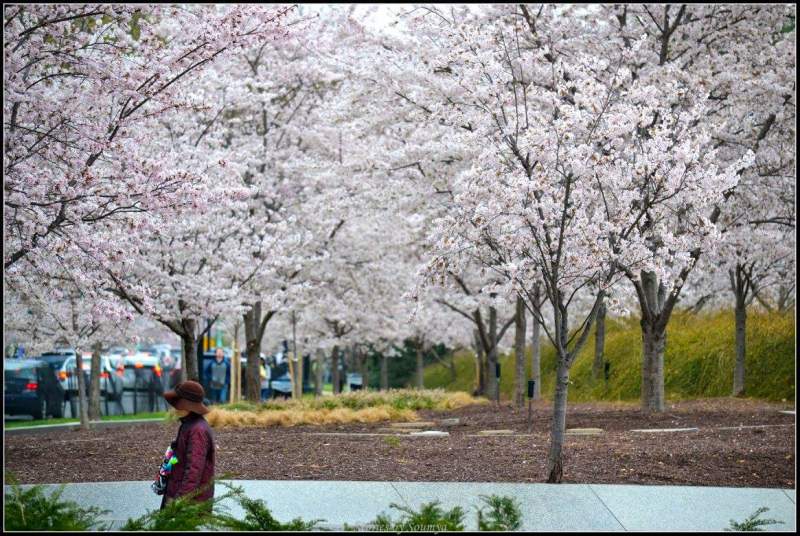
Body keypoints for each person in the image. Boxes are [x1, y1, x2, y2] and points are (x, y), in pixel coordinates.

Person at [160, 380, 215, 511]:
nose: (174, 408)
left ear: (187, 406)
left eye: (177, 403)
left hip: (188, 504)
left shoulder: (197, 431)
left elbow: (194, 471)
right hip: (179, 494)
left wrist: (180, 501)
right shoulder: (189, 425)